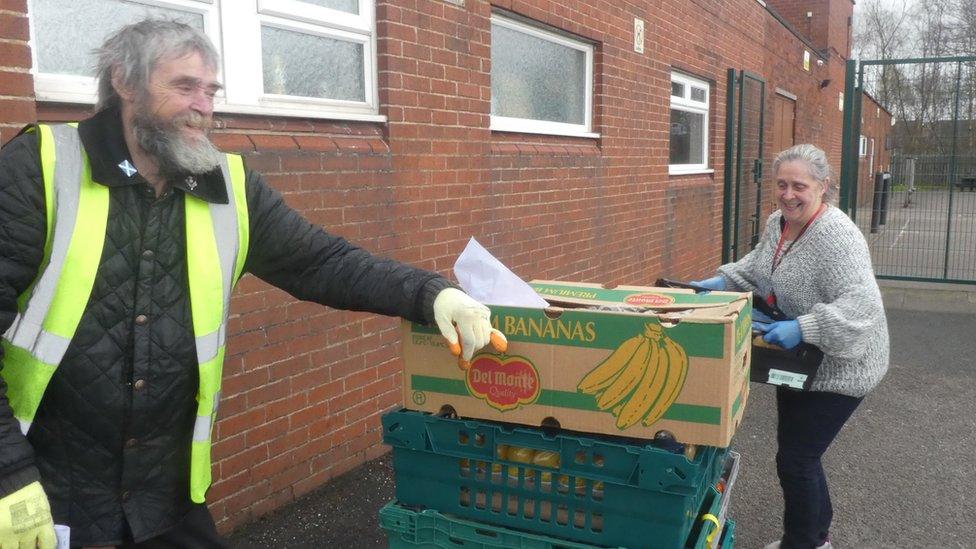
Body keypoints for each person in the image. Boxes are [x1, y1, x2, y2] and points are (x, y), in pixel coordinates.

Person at [0, 19, 502, 547]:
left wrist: (431, 293)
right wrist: (9, 478)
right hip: (48, 496)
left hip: (164, 500)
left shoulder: (228, 185)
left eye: (210, 91)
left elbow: (321, 261)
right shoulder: (39, 168)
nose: (203, 105)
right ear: (125, 82)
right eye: (184, 86)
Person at [694, 144, 889, 549]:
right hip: (800, 362)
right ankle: (817, 536)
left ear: (823, 187)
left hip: (842, 366)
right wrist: (724, 282)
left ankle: (804, 542)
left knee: (796, 460)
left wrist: (805, 325)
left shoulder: (838, 237)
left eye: (799, 185)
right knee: (799, 456)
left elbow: (863, 306)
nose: (788, 194)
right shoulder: (778, 222)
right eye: (781, 184)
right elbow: (759, 267)